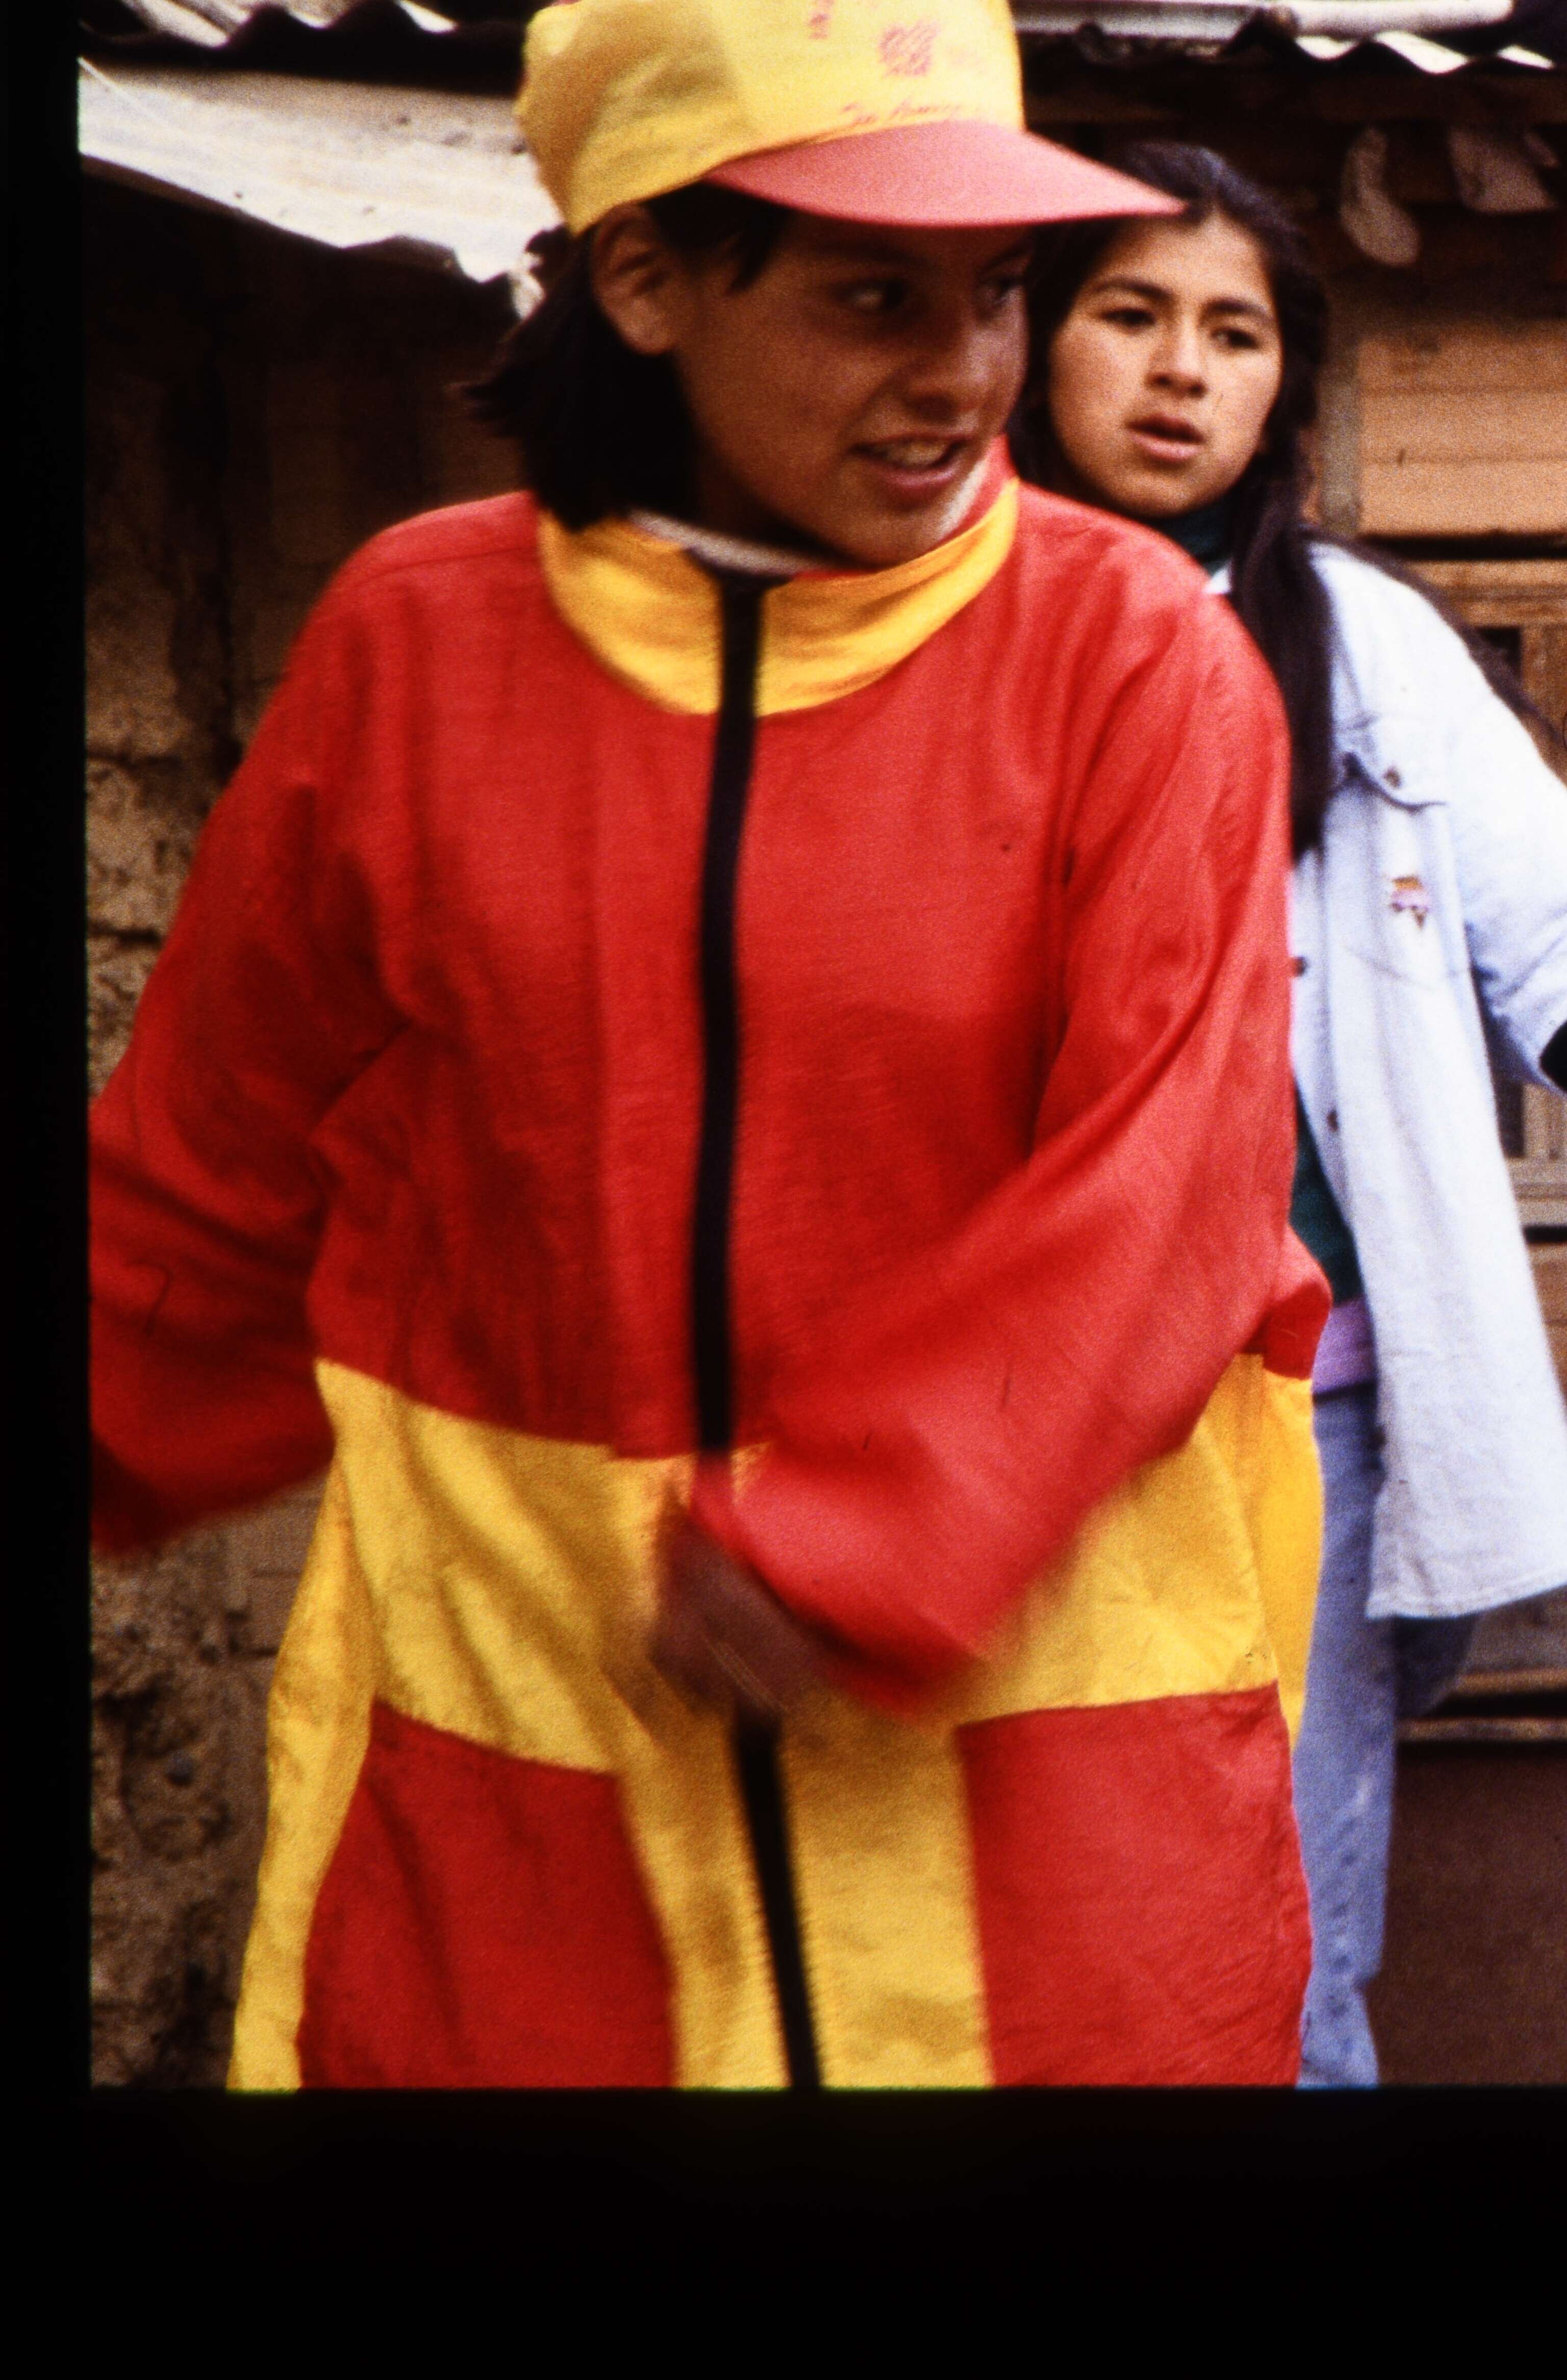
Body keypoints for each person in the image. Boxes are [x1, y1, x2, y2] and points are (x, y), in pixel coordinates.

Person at [87, 0, 1326, 2088]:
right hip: (534, 1737)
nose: (966, 376)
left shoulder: (1137, 660)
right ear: (647, 280)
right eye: (873, 297)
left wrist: (860, 1534)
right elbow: (211, 1165)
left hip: (1031, 1746)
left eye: (996, 293)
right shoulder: (416, 639)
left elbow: (1170, 1194)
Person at [1008, 141, 1567, 2088]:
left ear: (1285, 388)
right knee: (1022, 1917)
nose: (1182, 369)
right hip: (1008, 1401)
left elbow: (1561, 929)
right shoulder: (927, 627)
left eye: (1236, 333)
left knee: (1279, 1928)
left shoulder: (1361, 642)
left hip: (1307, 1408)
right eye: (1130, 314)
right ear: (1027, 341)